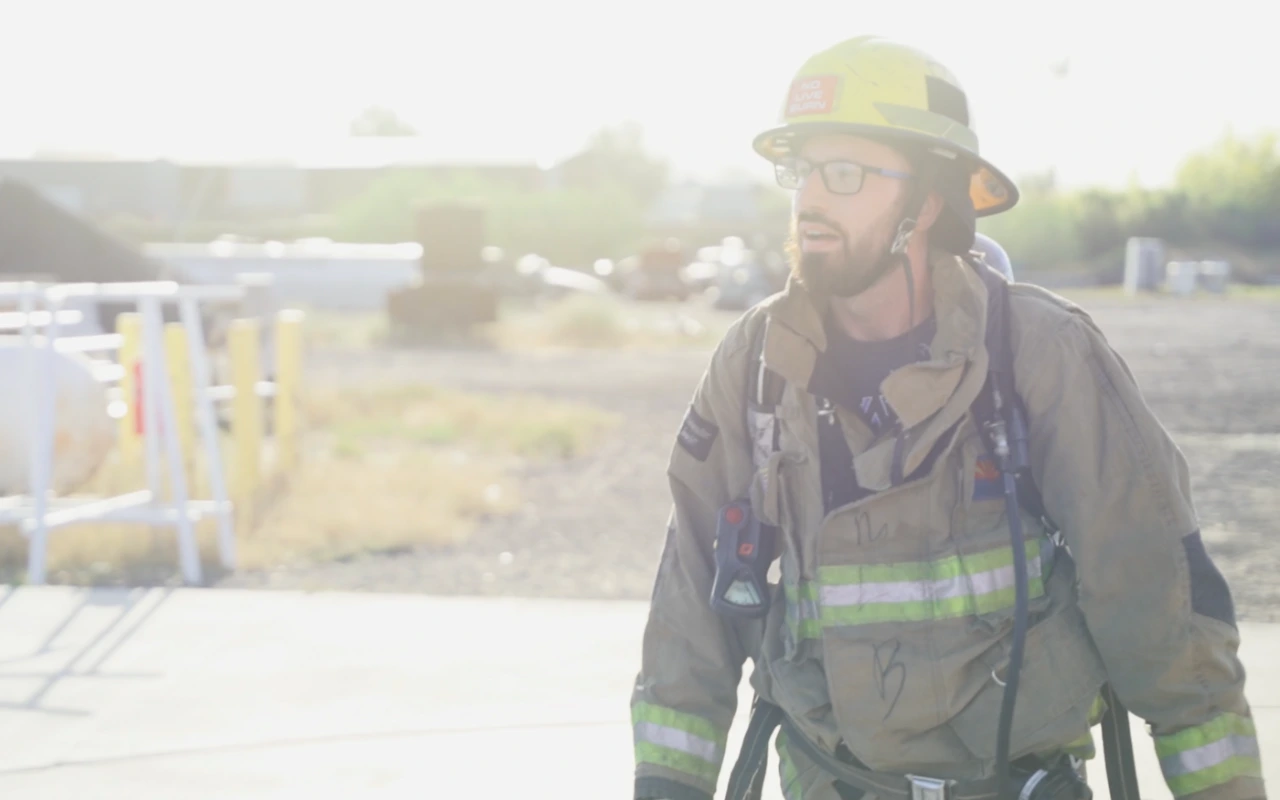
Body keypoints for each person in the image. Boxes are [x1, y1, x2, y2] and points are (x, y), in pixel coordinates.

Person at [631, 35, 1264, 800]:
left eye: (845, 173)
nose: (810, 201)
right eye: (802, 171)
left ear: (927, 201)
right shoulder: (757, 364)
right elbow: (689, 611)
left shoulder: (1040, 352)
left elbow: (1158, 604)